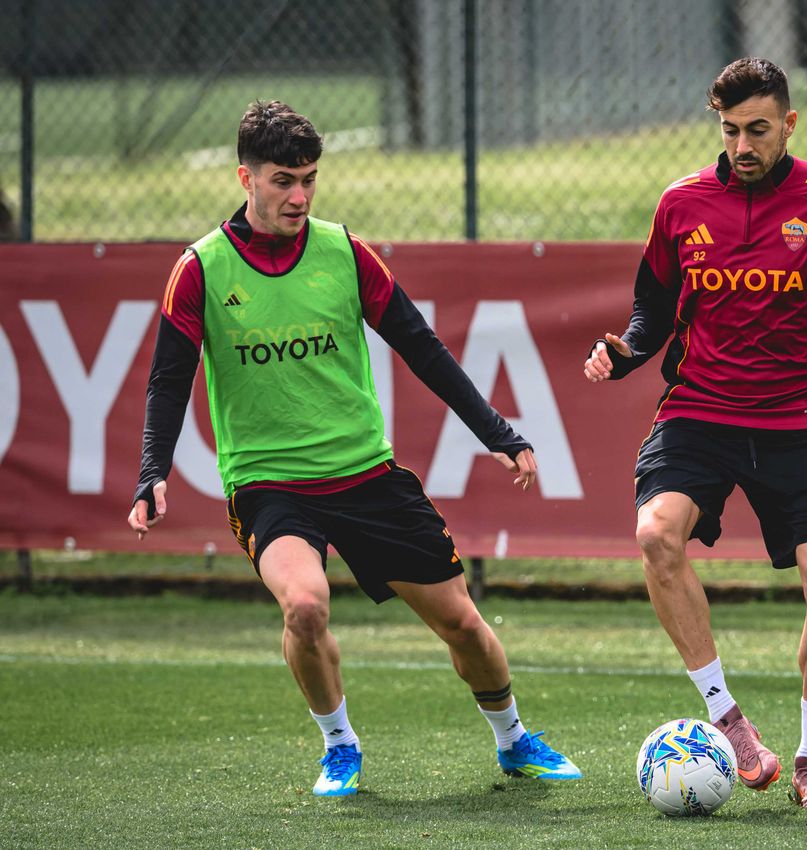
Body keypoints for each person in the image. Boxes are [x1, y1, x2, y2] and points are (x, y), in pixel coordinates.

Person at [128, 100, 580, 796]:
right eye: (283, 180)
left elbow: (421, 348)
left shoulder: (344, 252)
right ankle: (339, 745)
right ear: (243, 177)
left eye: (309, 178)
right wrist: (152, 470)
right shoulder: (202, 270)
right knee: (304, 606)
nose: (300, 196)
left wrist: (497, 432)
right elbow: (168, 379)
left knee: (463, 625)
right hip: (269, 483)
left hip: (367, 475)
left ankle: (514, 738)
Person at [585, 58, 807, 810]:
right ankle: (729, 722)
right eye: (730, 130)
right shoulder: (681, 204)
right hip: (698, 410)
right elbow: (650, 314)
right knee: (654, 535)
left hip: (798, 418)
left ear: (789, 124)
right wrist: (622, 356)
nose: (743, 146)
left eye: (758, 130)